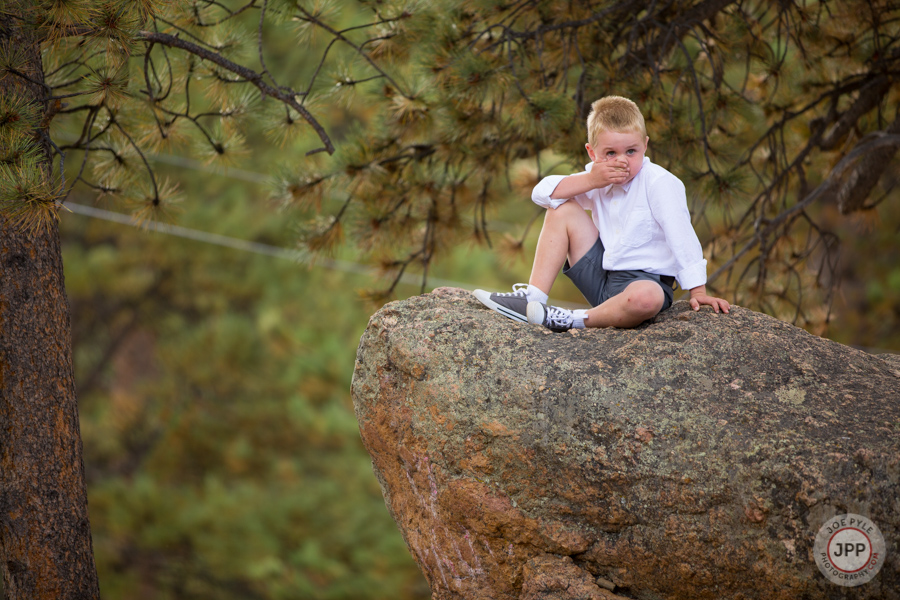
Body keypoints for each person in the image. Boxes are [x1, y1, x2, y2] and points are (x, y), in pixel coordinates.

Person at [474, 95, 730, 332]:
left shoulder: (659, 183)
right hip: (600, 278)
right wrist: (591, 180)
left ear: (645, 145)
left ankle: (571, 319)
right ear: (592, 152)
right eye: (610, 153)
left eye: (631, 151)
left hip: (643, 285)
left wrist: (698, 291)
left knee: (647, 297)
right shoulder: (597, 178)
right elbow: (542, 194)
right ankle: (533, 298)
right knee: (561, 209)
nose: (622, 161)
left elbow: (682, 235)